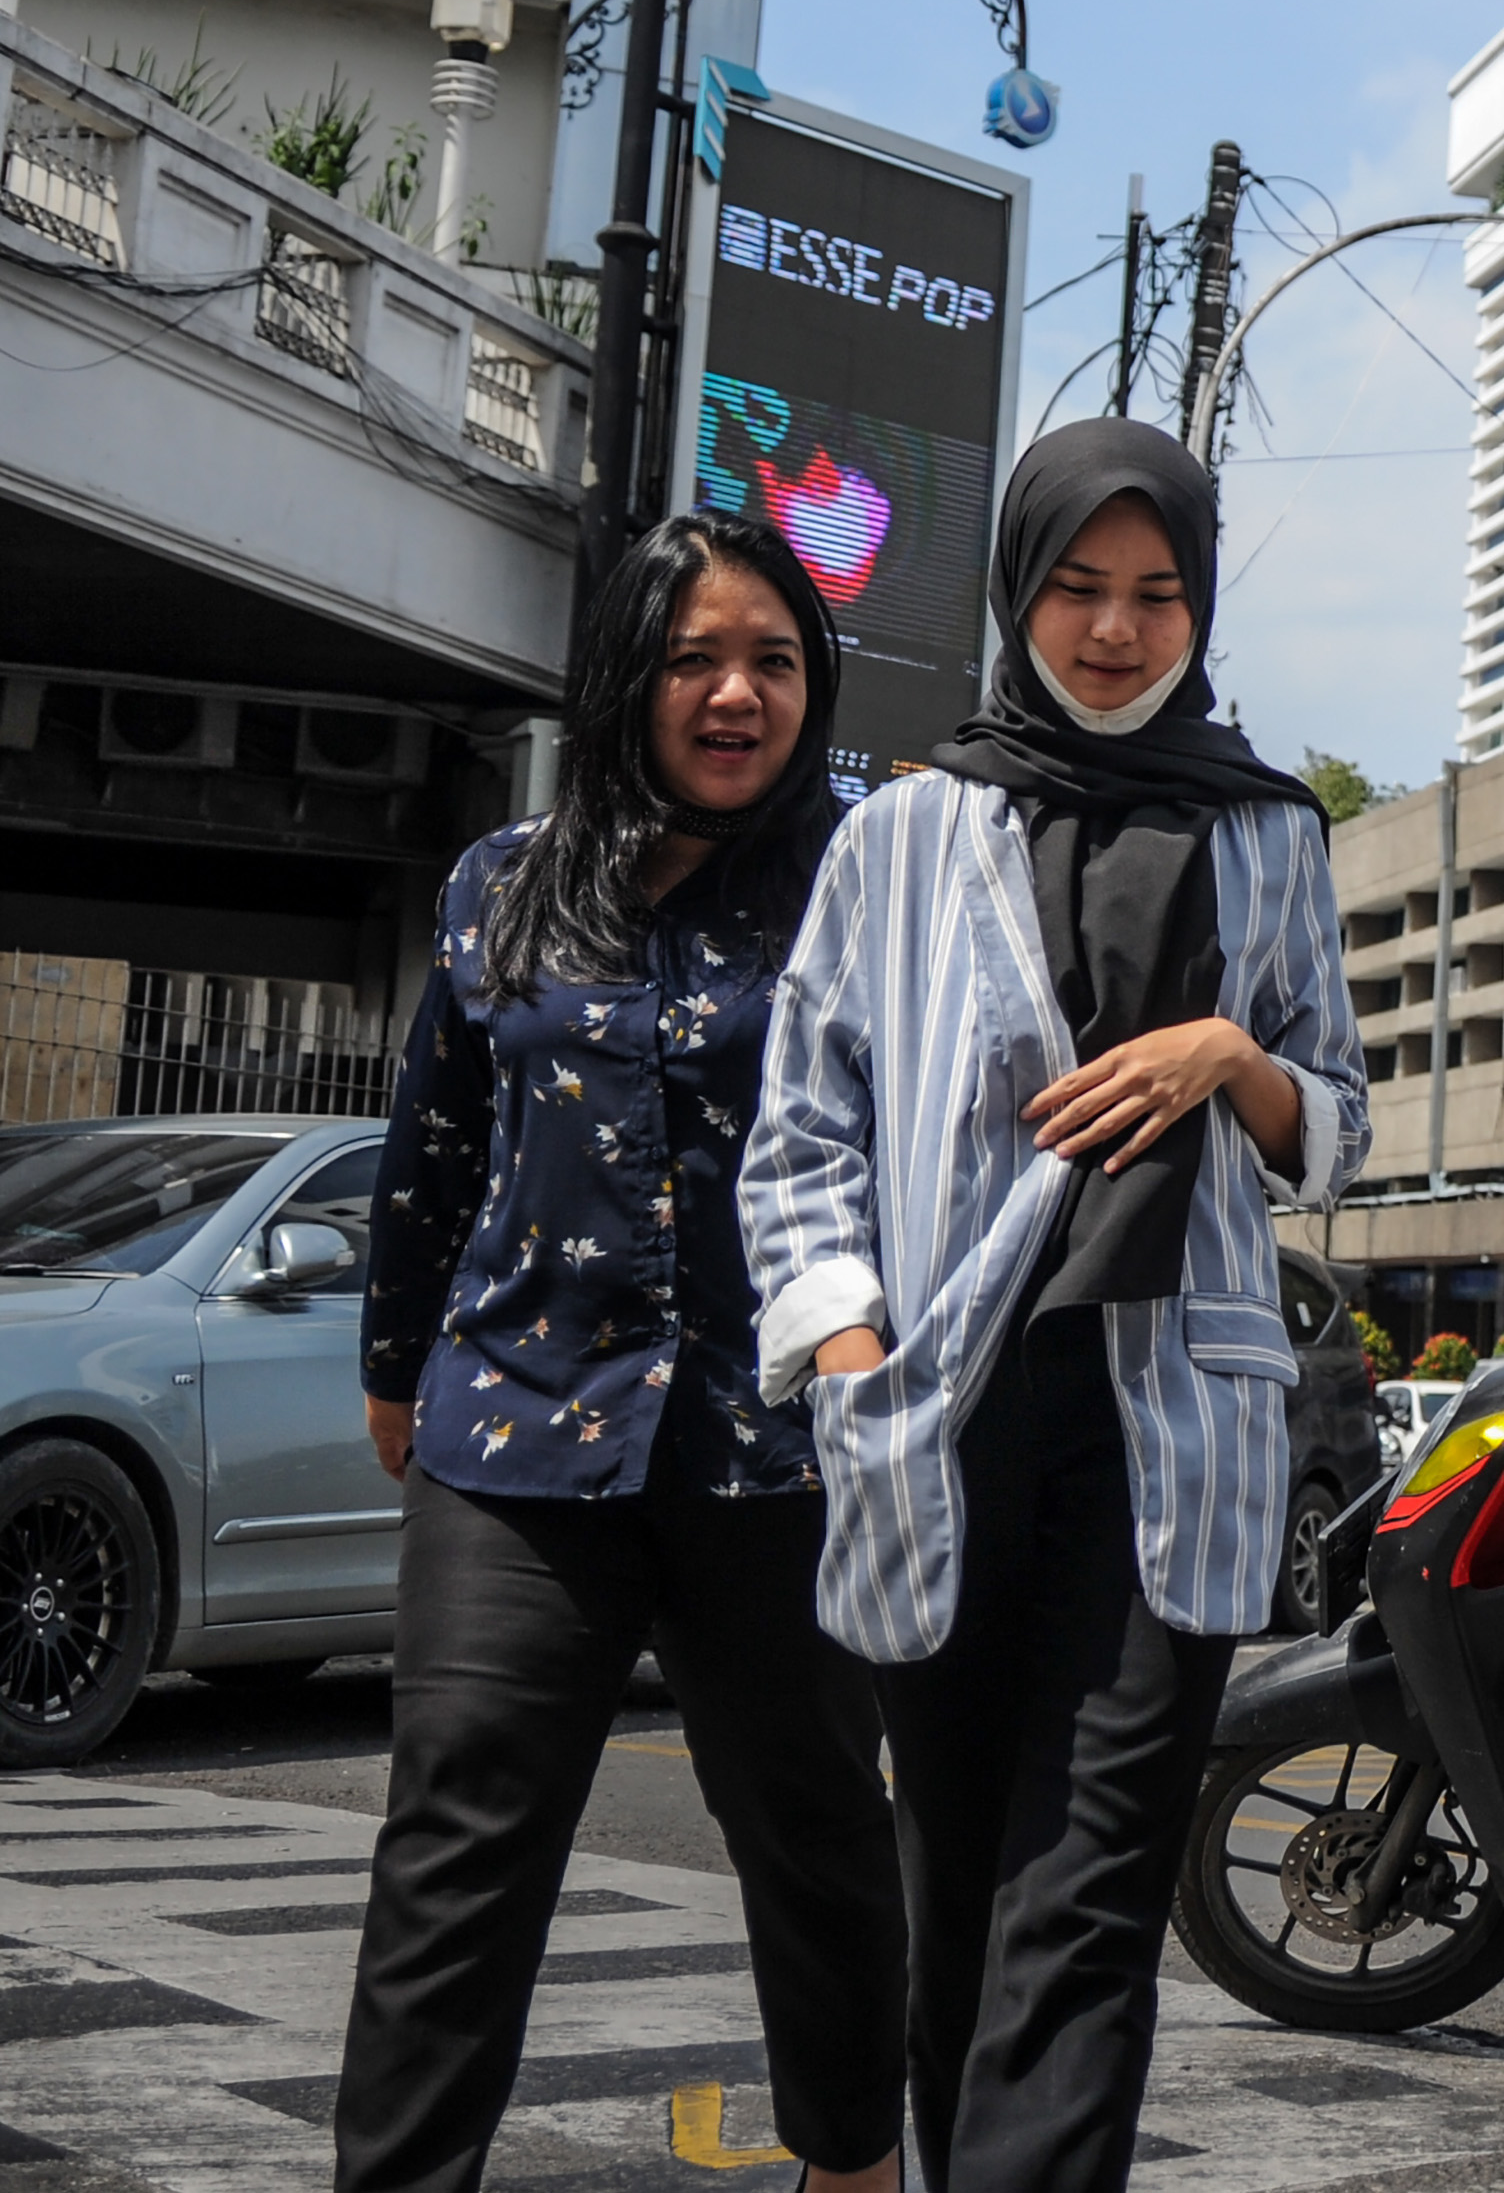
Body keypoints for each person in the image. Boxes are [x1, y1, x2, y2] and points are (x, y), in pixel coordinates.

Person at [743, 419, 1364, 2193]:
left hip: (1169, 1406)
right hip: (946, 1403)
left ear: (1201, 605)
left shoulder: (1270, 830)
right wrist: (848, 1347)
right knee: (957, 1881)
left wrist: (1233, 1054)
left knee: (1089, 1890)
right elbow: (803, 1128)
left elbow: (1334, 1119)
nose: (1115, 628)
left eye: (1159, 593)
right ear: (1018, 586)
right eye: (1081, 586)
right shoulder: (903, 830)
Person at [341, 512, 904, 2193]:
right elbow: (436, 1142)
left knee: (815, 1829)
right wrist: (394, 1364)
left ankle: (853, 2165)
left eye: (774, 662)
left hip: (780, 1443)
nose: (737, 694)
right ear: (622, 679)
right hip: (516, 1429)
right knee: (458, 1833)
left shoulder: (866, 883)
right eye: (692, 660)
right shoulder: (500, 880)